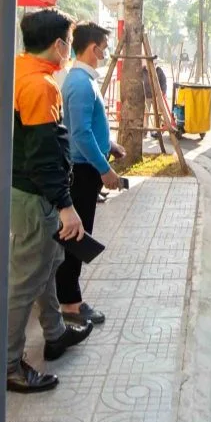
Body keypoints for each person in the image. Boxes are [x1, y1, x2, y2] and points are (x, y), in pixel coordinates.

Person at [7, 9, 93, 393]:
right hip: (35, 196)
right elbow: (44, 156)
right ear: (58, 44)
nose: (69, 50)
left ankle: (55, 333)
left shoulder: (15, 71)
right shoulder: (41, 87)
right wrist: (66, 206)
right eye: (69, 43)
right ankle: (8, 365)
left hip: (23, 189)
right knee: (26, 281)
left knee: (47, 263)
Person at [59, 22, 123, 327]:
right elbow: (80, 133)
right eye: (104, 48)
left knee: (76, 236)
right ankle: (70, 304)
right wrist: (104, 169)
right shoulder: (81, 84)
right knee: (76, 238)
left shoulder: (82, 80)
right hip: (82, 171)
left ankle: (65, 297)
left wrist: (110, 145)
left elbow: (87, 127)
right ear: (93, 48)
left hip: (84, 167)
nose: (106, 53)